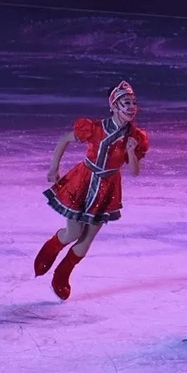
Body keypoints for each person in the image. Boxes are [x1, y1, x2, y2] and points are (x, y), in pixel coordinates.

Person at [33, 81, 149, 300]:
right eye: (126, 102)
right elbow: (64, 139)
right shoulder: (95, 128)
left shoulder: (135, 137)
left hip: (108, 188)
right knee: (74, 233)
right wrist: (53, 168)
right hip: (83, 182)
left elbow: (134, 172)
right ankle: (52, 247)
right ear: (113, 106)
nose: (131, 107)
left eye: (133, 103)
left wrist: (131, 152)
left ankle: (62, 274)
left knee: (86, 242)